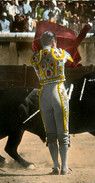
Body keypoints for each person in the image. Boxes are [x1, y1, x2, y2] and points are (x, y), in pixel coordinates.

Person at [30, 31, 72, 175]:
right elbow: (69, 59)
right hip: (58, 92)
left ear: (42, 43)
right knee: (63, 132)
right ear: (54, 41)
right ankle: (65, 167)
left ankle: (55, 167)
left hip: (44, 94)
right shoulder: (60, 53)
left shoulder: (36, 57)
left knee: (51, 133)